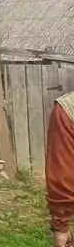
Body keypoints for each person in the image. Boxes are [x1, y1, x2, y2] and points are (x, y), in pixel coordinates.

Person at [46, 92, 74, 246]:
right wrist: (61, 225)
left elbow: (63, 172)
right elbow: (63, 172)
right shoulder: (69, 109)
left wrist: (61, 226)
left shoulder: (67, 109)